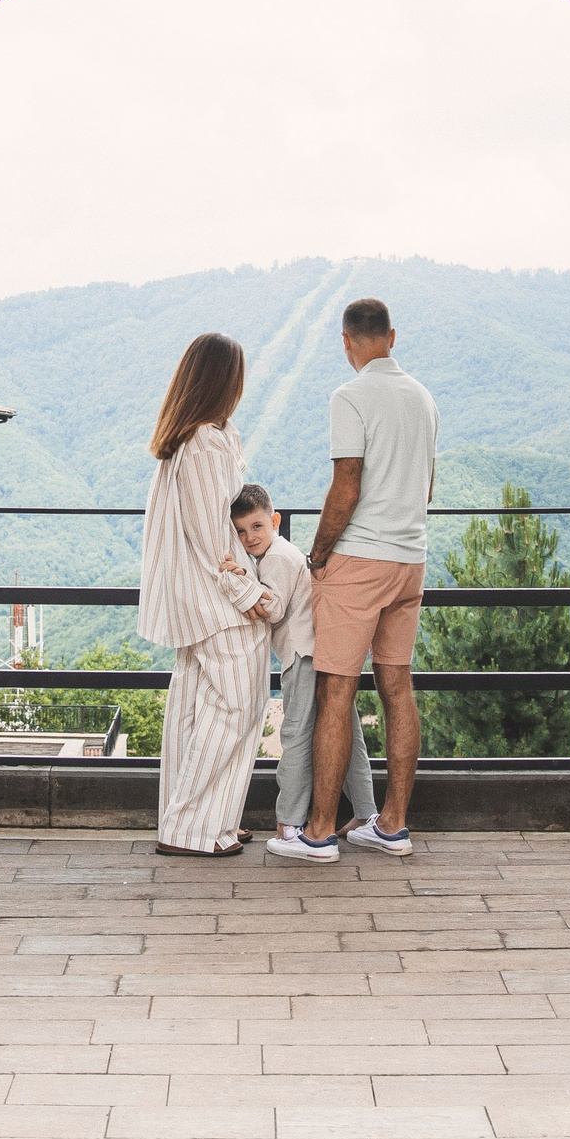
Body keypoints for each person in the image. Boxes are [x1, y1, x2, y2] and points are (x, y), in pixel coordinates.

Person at [302, 297, 438, 857]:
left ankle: (318, 833)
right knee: (397, 687)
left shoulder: (350, 396)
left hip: (359, 559)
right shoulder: (424, 398)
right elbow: (427, 486)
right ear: (392, 336)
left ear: (345, 341)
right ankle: (392, 824)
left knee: (336, 689)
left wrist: (318, 554)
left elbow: (347, 485)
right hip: (410, 559)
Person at [137, 332, 276, 857]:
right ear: (224, 382)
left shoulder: (193, 440)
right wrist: (248, 592)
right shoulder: (204, 443)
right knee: (238, 709)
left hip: (195, 602)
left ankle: (202, 822)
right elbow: (212, 534)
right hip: (217, 602)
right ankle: (192, 829)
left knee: (194, 713)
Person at [226, 484, 373, 864]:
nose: (249, 537)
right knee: (345, 731)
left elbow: (272, 609)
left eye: (257, 526)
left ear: (274, 521)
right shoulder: (285, 550)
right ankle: (365, 813)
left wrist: (237, 579)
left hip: (303, 653)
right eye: (240, 531)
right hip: (328, 647)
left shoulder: (274, 558)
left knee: (296, 734)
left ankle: (289, 824)